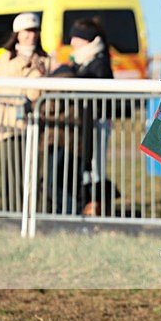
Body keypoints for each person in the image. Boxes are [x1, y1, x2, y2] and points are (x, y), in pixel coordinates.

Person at [50, 17, 114, 214]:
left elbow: (89, 86)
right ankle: (87, 206)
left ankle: (96, 207)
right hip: (85, 124)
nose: (71, 44)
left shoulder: (99, 62)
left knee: (95, 168)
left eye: (76, 39)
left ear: (86, 40)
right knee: (86, 168)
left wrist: (65, 72)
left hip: (97, 122)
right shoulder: (84, 61)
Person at [0, 12, 51, 211]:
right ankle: (12, 213)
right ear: (17, 33)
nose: (30, 35)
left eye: (34, 30)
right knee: (10, 174)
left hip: (36, 129)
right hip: (7, 127)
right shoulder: (2, 61)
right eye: (26, 31)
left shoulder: (46, 61)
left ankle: (34, 214)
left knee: (35, 174)